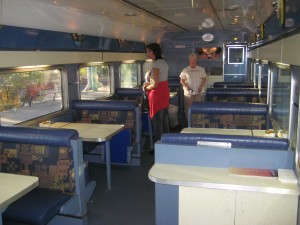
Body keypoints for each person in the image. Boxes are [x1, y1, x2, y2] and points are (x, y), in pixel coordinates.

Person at [143, 43, 170, 152]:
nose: (147, 53)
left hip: (157, 95)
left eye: (149, 51)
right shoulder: (164, 62)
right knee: (164, 121)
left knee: (157, 122)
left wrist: (146, 87)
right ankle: (167, 142)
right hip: (164, 93)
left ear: (153, 52)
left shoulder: (156, 65)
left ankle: (158, 147)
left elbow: (155, 84)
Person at [179, 53, 207, 120]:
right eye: (191, 60)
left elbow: (204, 79)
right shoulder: (185, 70)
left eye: (194, 60)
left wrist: (201, 86)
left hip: (199, 92)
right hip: (189, 93)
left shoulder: (200, 69)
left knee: (199, 107)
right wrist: (186, 87)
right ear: (189, 60)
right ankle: (190, 122)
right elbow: (181, 80)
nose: (193, 61)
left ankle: (198, 122)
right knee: (189, 108)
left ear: (196, 60)